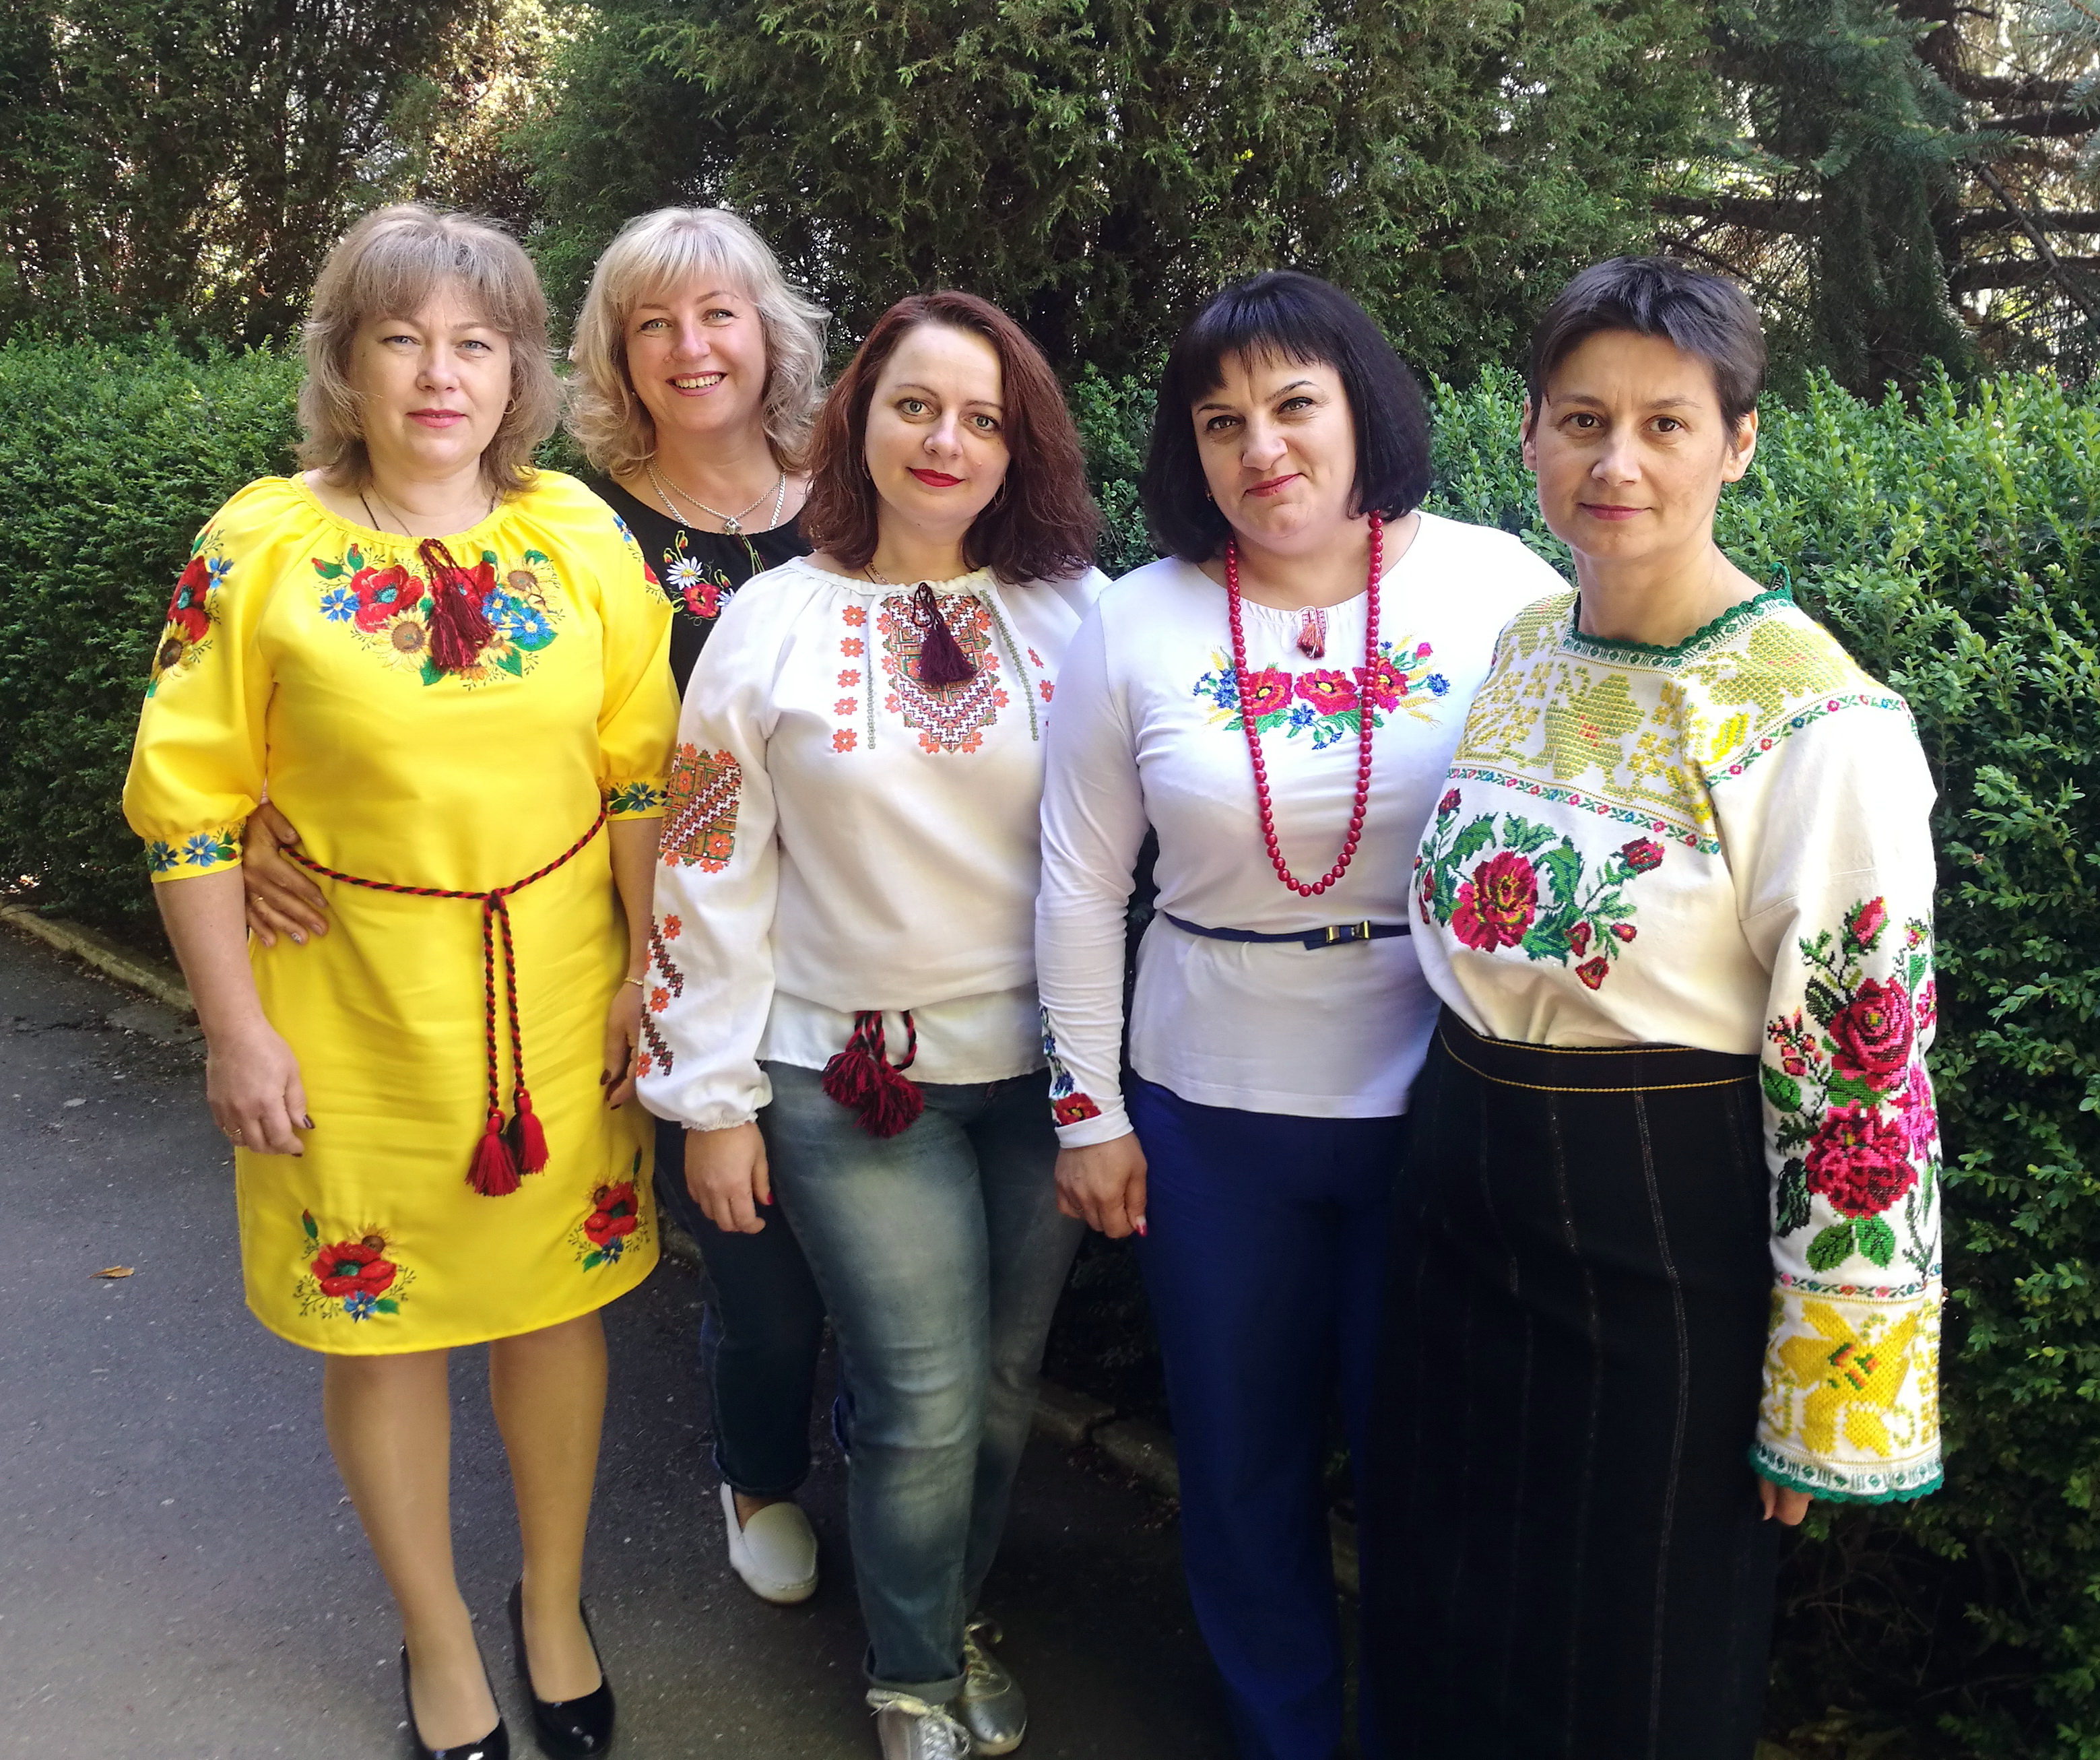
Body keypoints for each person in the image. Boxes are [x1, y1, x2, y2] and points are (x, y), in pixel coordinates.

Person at [1360, 257, 1944, 1758]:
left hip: (1656, 1241)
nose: (1614, 461)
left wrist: (1827, 1394)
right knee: (1438, 1607)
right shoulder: (1520, 646)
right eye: (1581, 419)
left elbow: (1860, 1075)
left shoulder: (1817, 721)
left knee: (1625, 1657)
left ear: (1735, 443)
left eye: (1663, 424)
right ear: (1530, 434)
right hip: (1456, 1201)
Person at [123, 203, 677, 1760]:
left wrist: (649, 971)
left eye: (476, 343)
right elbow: (189, 801)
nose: (441, 374)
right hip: (343, 1002)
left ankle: (551, 1604)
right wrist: (233, 1029)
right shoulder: (260, 545)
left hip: (557, 993)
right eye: (402, 339)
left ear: (518, 371)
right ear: (344, 364)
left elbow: (645, 774)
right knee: (384, 1329)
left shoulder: (578, 536)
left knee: (554, 1308)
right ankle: (439, 1640)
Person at [246, 204, 841, 1608]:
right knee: (751, 1264)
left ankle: (899, 1514)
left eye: (718, 313)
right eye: (651, 324)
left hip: (858, 933)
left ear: (770, 330)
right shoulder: (583, 516)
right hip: (667, 947)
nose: (690, 347)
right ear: (604, 358)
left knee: (882, 1265)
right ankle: (753, 1471)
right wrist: (267, 802)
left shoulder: (859, 488)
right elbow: (491, 731)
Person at [1034, 269, 1568, 1760]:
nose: (1260, 447)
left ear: (1360, 409)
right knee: (1237, 1459)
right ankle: (1280, 1735)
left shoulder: (1498, 588)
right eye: (1220, 422)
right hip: (1208, 1113)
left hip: (1438, 1109)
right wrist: (1088, 1109)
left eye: (1292, 404)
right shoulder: (1133, 620)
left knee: (1427, 1467)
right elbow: (1077, 883)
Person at [637, 290, 1107, 1760]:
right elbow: (703, 859)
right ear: (859, 421)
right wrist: (710, 1096)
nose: (944, 439)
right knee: (921, 1388)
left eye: (981, 416)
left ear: (1019, 446)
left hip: (1039, 1080)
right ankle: (909, 1677)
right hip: (846, 1077)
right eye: (915, 404)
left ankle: (948, 1615)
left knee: (1002, 1386)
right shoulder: (767, 620)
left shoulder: (1078, 612)